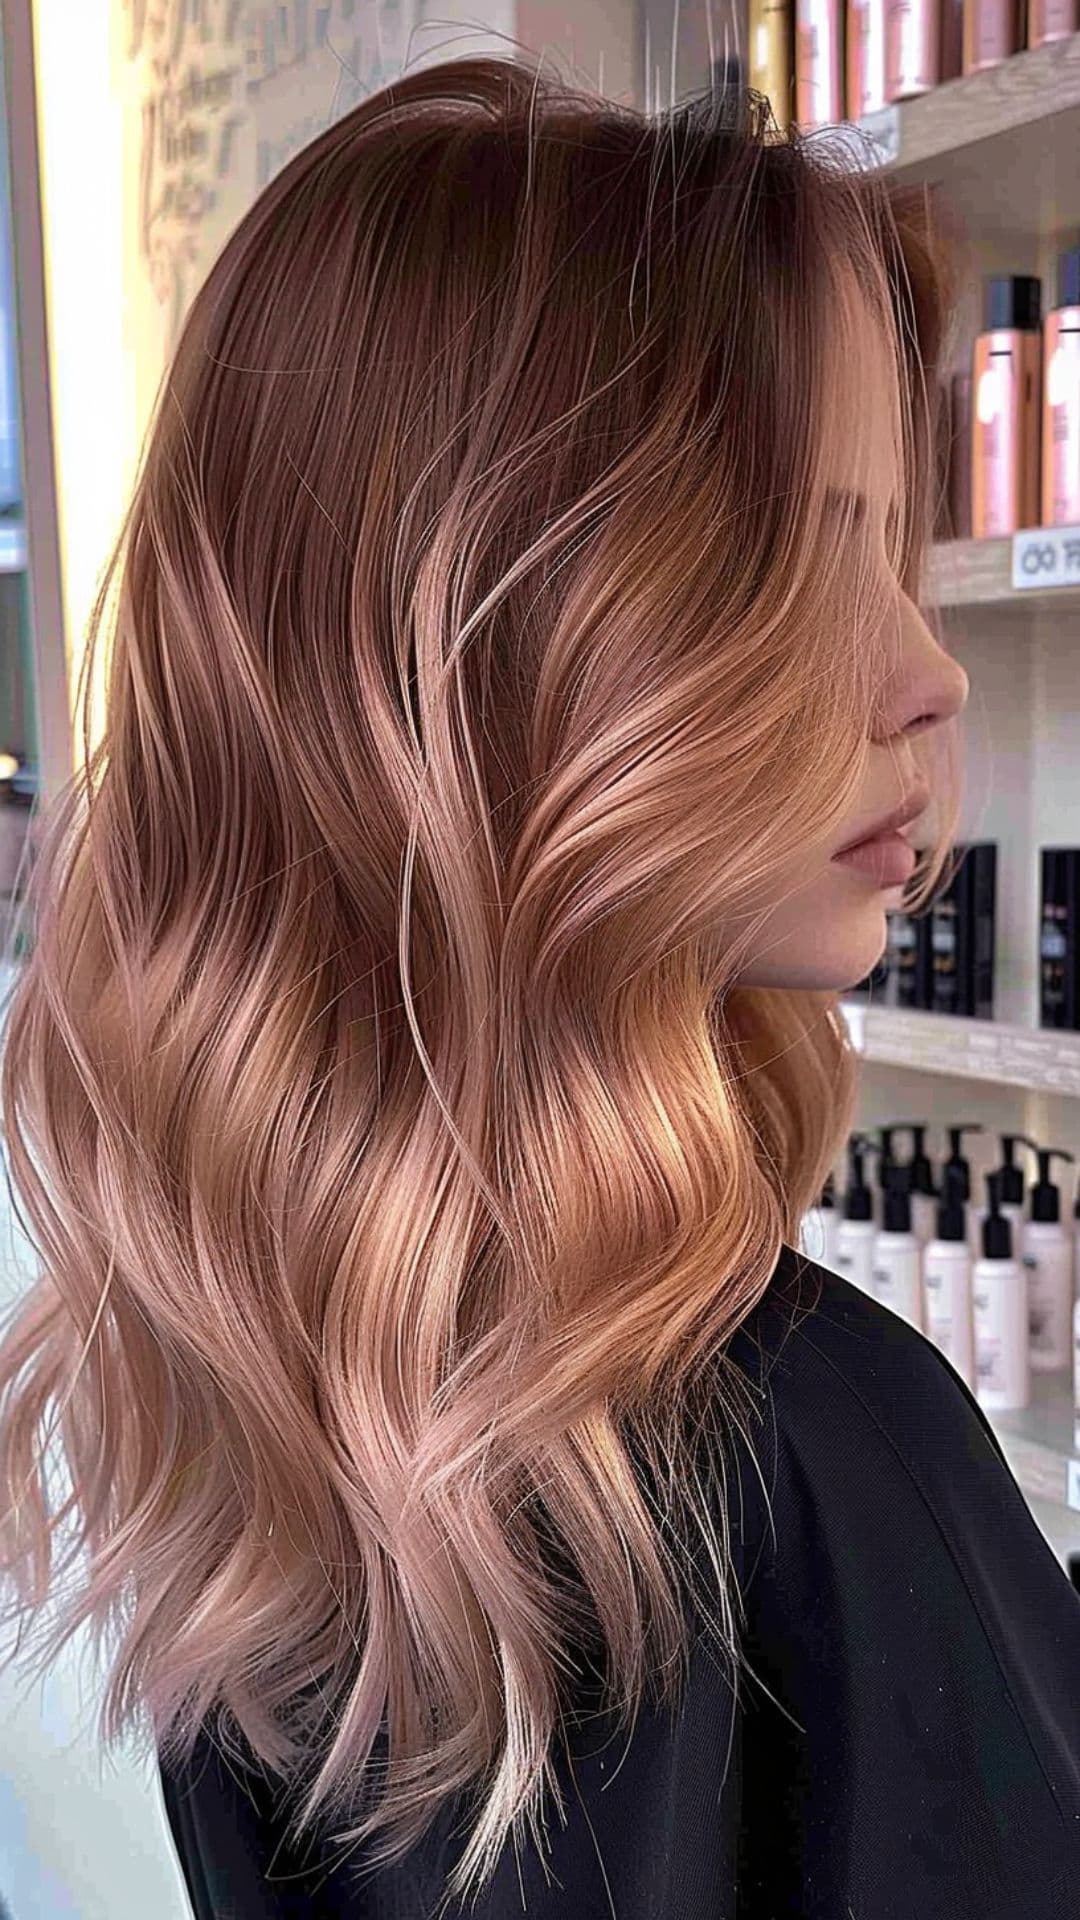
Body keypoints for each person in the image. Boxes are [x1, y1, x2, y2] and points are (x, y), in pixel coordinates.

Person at [0, 49, 1076, 1920]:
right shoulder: (827, 1464)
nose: (931, 674)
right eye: (799, 560)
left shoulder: (245, 1408)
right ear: (489, 647)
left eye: (890, 553)